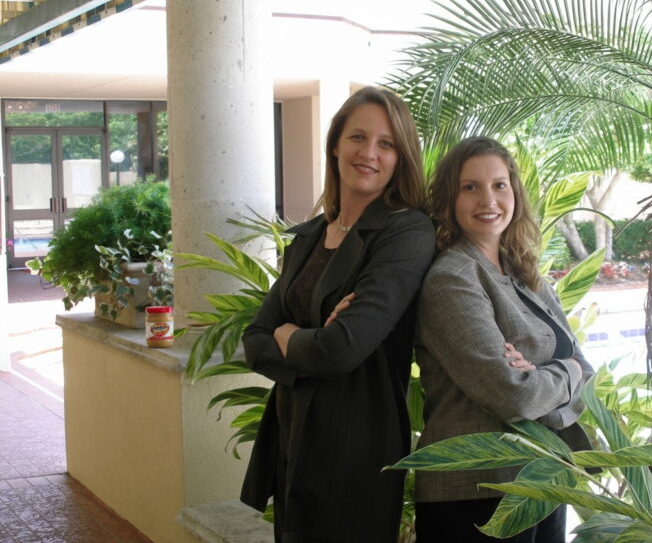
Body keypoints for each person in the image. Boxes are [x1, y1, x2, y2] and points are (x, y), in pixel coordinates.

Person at [239, 86, 435, 543]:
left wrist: (289, 334)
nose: (369, 153)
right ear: (335, 144)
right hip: (291, 433)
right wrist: (307, 340)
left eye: (386, 144)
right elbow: (254, 340)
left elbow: (340, 349)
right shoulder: (308, 237)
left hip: (356, 443)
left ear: (401, 157)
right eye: (358, 137)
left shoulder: (405, 231)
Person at [413, 136, 594, 543]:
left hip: (542, 476)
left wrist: (552, 374)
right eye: (470, 187)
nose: (487, 200)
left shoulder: (525, 274)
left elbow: (588, 370)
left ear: (514, 192)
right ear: (449, 198)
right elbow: (514, 396)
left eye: (499, 185)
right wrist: (564, 373)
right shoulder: (452, 278)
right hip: (475, 492)